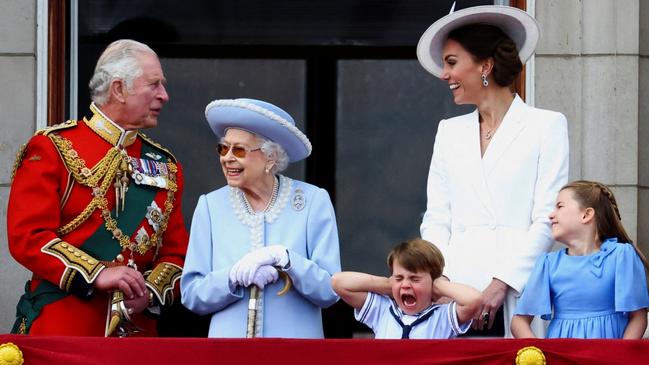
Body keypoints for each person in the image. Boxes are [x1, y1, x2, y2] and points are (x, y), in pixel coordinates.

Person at [7, 39, 188, 336]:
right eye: (154, 84)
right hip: (64, 328)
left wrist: (150, 293)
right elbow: (28, 237)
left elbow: (177, 255)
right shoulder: (54, 148)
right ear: (119, 89)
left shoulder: (166, 165)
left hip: (137, 335)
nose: (164, 95)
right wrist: (97, 274)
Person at [416, 5, 569, 337]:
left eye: (452, 63)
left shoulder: (546, 126)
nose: (444, 75)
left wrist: (504, 282)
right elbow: (437, 218)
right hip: (453, 296)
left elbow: (547, 217)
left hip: (517, 292)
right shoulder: (448, 131)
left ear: (485, 65)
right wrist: (441, 282)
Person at [180, 98, 341, 338]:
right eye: (223, 148)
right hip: (229, 353)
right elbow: (192, 295)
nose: (227, 158)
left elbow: (330, 291)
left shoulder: (312, 201)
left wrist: (287, 260)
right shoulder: (210, 206)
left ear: (271, 157)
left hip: (295, 353)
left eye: (239, 150)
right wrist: (232, 277)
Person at [511, 181, 649, 339]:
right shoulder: (548, 264)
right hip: (562, 357)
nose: (551, 215)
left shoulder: (621, 256)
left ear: (586, 215)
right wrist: (540, 356)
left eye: (560, 206)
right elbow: (518, 321)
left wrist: (619, 356)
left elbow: (638, 317)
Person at [331, 238, 481, 339]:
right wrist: (387, 285)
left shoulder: (442, 317)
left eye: (415, 279)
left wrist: (438, 286)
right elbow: (338, 282)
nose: (406, 285)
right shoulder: (382, 311)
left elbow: (474, 300)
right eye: (399, 278)